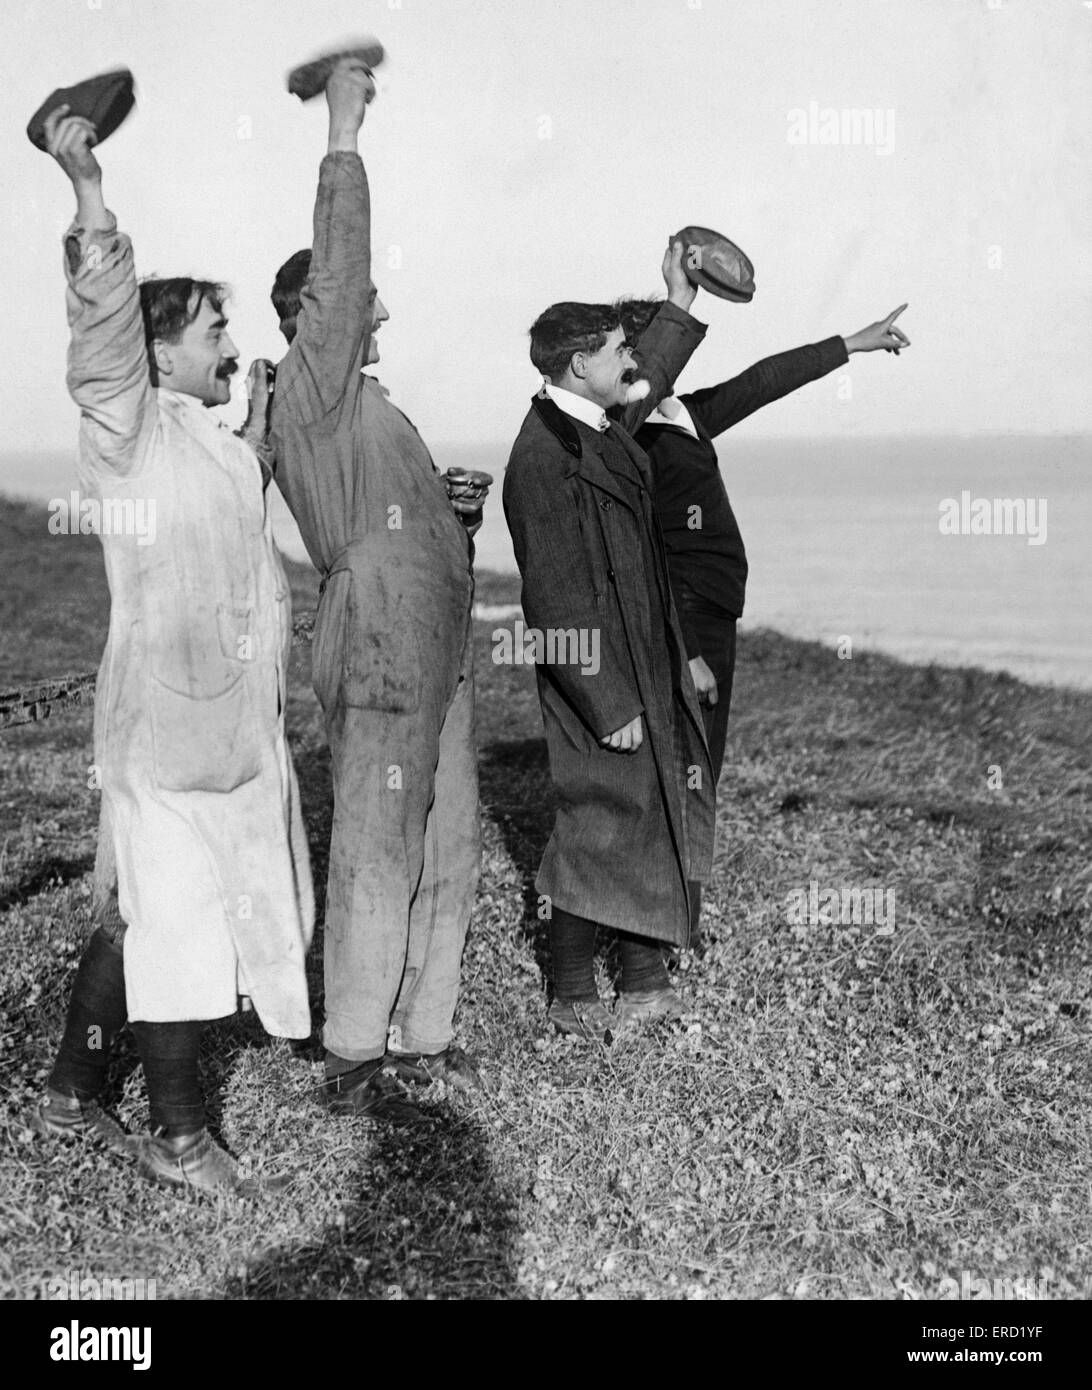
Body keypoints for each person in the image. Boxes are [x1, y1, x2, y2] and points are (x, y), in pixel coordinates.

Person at [30, 106, 314, 1195]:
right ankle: (181, 1137)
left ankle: (70, 1087)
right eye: (210, 336)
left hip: (233, 730)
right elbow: (101, 329)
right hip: (163, 729)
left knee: (144, 906)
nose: (229, 350)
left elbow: (233, 491)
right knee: (179, 929)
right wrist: (89, 190)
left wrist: (262, 418)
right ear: (154, 352)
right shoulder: (125, 427)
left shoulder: (207, 441)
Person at [268, 61, 483, 1119]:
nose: (374, 307)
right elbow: (343, 280)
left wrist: (459, 516)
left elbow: (410, 528)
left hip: (436, 654)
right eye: (352, 308)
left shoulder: (376, 408)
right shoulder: (309, 394)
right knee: (375, 842)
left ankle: (424, 1032)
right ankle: (353, 1049)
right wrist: (343, 136)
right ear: (314, 322)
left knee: (447, 839)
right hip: (381, 655)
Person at [615, 297, 911, 934]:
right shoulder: (634, 440)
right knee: (685, 771)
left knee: (701, 768)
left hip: (714, 612)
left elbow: (762, 382)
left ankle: (673, 918)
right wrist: (685, 648)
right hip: (690, 618)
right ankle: (662, 927)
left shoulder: (683, 413)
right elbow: (648, 556)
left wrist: (851, 343)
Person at [502, 246, 715, 1042]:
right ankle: (569, 990)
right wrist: (606, 698)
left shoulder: (589, 419)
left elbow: (650, 371)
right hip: (599, 674)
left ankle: (640, 972)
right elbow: (551, 593)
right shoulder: (543, 457)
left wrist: (679, 300)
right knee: (598, 820)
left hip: (637, 656)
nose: (632, 355)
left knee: (640, 807)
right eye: (618, 348)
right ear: (582, 363)